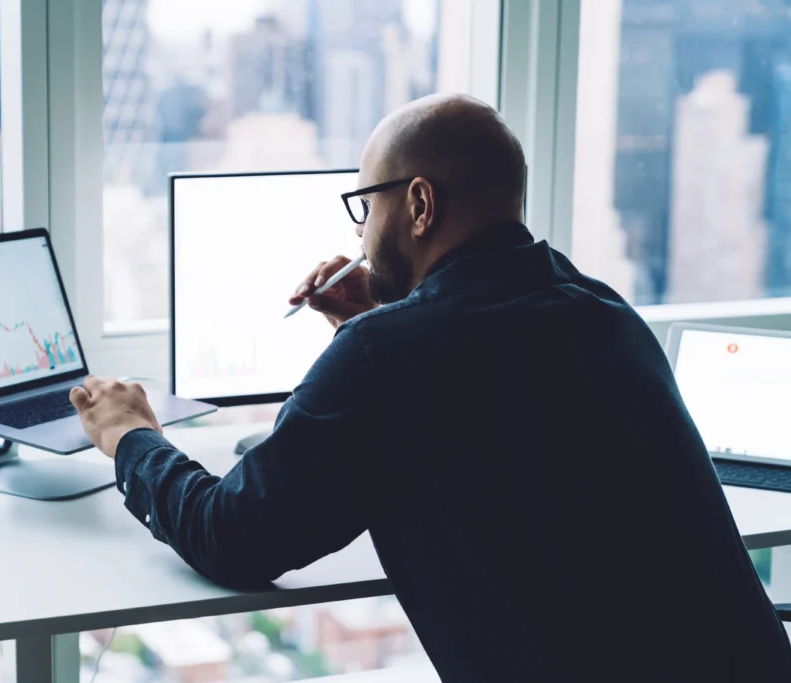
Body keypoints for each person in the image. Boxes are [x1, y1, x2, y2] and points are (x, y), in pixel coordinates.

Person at [69, 94, 791, 680]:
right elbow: (495, 406)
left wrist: (128, 432)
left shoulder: (388, 356)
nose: (361, 234)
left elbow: (233, 537)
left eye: (367, 205)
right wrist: (385, 321)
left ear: (419, 204)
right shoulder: (601, 309)